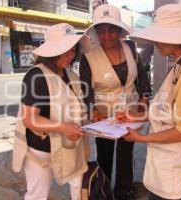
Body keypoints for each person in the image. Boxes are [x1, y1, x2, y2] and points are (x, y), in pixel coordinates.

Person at [118, 4, 181, 200]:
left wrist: (140, 139)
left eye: (161, 36)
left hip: (180, 166)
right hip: (169, 161)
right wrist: (135, 116)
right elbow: (167, 111)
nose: (155, 42)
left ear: (178, 37)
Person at [79, 4, 151, 200]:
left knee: (126, 153)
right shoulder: (88, 56)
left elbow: (142, 78)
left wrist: (144, 101)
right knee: (104, 155)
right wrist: (93, 110)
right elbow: (85, 89)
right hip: (104, 116)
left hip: (129, 113)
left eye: (111, 30)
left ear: (120, 31)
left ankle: (124, 192)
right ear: (96, 33)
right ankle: (104, 190)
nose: (107, 36)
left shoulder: (130, 48)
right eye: (101, 31)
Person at [12, 23, 90, 200]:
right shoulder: (37, 76)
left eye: (73, 50)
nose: (70, 55)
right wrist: (63, 127)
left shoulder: (72, 76)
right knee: (38, 194)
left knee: (77, 188)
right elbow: (29, 119)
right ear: (51, 50)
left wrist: (95, 120)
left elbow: (78, 109)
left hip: (70, 146)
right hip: (41, 150)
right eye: (65, 50)